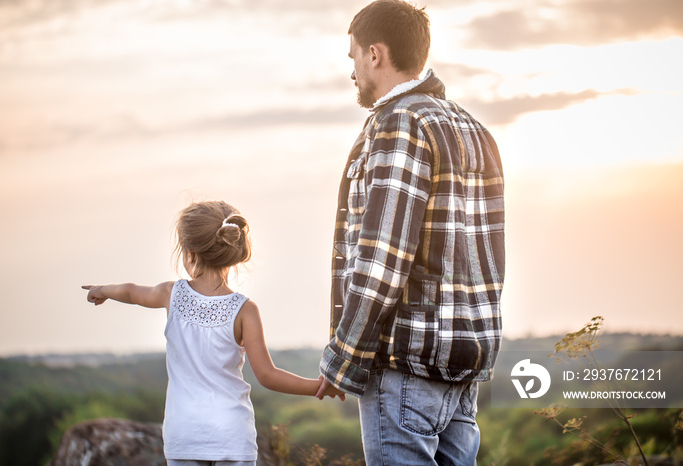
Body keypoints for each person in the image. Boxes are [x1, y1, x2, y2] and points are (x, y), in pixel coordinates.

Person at [316, 1, 505, 464]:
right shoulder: (473, 128)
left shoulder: (399, 124)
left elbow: (382, 259)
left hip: (405, 367)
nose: (354, 68)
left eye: (354, 56)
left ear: (375, 54)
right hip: (462, 368)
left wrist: (342, 357)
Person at [83, 200, 344, 466]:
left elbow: (131, 292)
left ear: (191, 254)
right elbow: (268, 375)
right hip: (232, 434)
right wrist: (318, 387)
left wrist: (103, 290)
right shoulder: (245, 310)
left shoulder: (171, 294)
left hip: (184, 435)